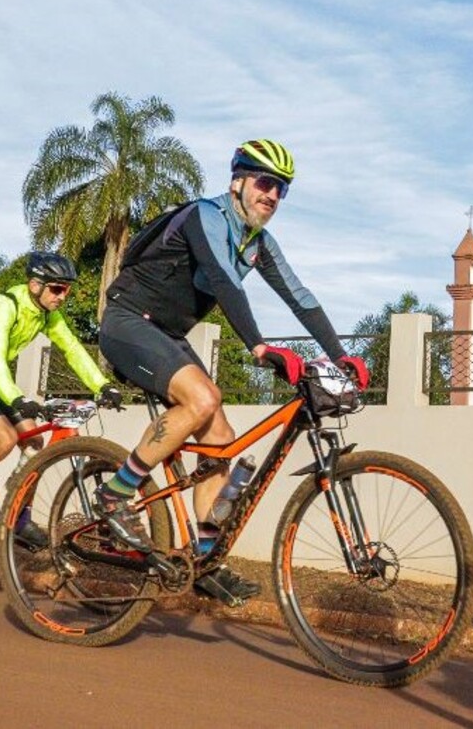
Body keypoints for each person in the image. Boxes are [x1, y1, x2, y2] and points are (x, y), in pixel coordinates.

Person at [96, 138, 368, 606]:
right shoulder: (205, 215)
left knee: (220, 437)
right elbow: (223, 280)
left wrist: (342, 355)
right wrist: (260, 347)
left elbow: (300, 297)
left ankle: (203, 558)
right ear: (238, 182)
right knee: (202, 399)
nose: (273, 195)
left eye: (282, 189)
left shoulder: (259, 242)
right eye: (265, 183)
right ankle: (116, 493)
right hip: (126, 321)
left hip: (167, 334)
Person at [0, 252, 123, 545]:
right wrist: (17, 398)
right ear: (36, 285)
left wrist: (102, 386)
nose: (63, 296)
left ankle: (19, 516)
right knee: (5, 439)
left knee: (35, 444)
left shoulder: (48, 315)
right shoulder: (4, 307)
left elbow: (72, 349)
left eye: (67, 290)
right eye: (57, 289)